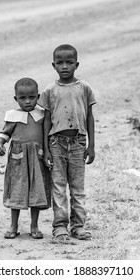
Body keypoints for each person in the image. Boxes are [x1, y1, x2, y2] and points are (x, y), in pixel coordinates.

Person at [38, 44, 96, 243]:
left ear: (76, 64)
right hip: (56, 144)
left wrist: (91, 145)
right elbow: (46, 120)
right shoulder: (49, 90)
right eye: (60, 63)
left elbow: (89, 117)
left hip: (79, 143)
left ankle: (78, 226)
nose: (65, 66)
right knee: (58, 186)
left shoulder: (84, 88)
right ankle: (60, 227)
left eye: (69, 62)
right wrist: (46, 149)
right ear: (53, 65)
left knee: (78, 188)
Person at [0, 77, 51, 239]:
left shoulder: (42, 115)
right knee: (17, 191)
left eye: (31, 97)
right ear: (16, 99)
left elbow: (48, 134)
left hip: (37, 160)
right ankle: (14, 226)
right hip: (18, 160)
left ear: (38, 96)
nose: (27, 101)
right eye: (22, 98)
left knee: (36, 190)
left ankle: (34, 226)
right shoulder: (13, 116)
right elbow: (5, 133)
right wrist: (0, 144)